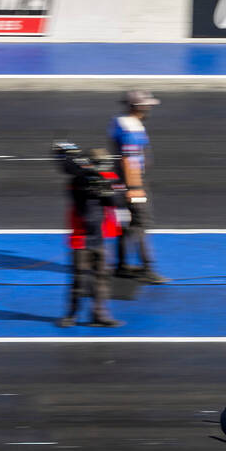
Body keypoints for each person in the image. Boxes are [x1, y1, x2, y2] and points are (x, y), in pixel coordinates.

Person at [58, 146, 124, 328]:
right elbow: (72, 177)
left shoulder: (106, 180)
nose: (106, 169)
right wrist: (91, 182)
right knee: (79, 278)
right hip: (81, 238)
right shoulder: (78, 181)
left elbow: (115, 201)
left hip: (98, 237)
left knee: (101, 277)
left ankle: (99, 314)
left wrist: (106, 190)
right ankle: (71, 314)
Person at [110, 90, 166, 284]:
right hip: (132, 184)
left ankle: (122, 265)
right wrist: (134, 187)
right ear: (138, 107)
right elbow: (129, 160)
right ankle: (146, 268)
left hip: (119, 182)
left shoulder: (119, 121)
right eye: (147, 105)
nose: (149, 108)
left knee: (125, 224)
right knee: (141, 223)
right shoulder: (131, 129)